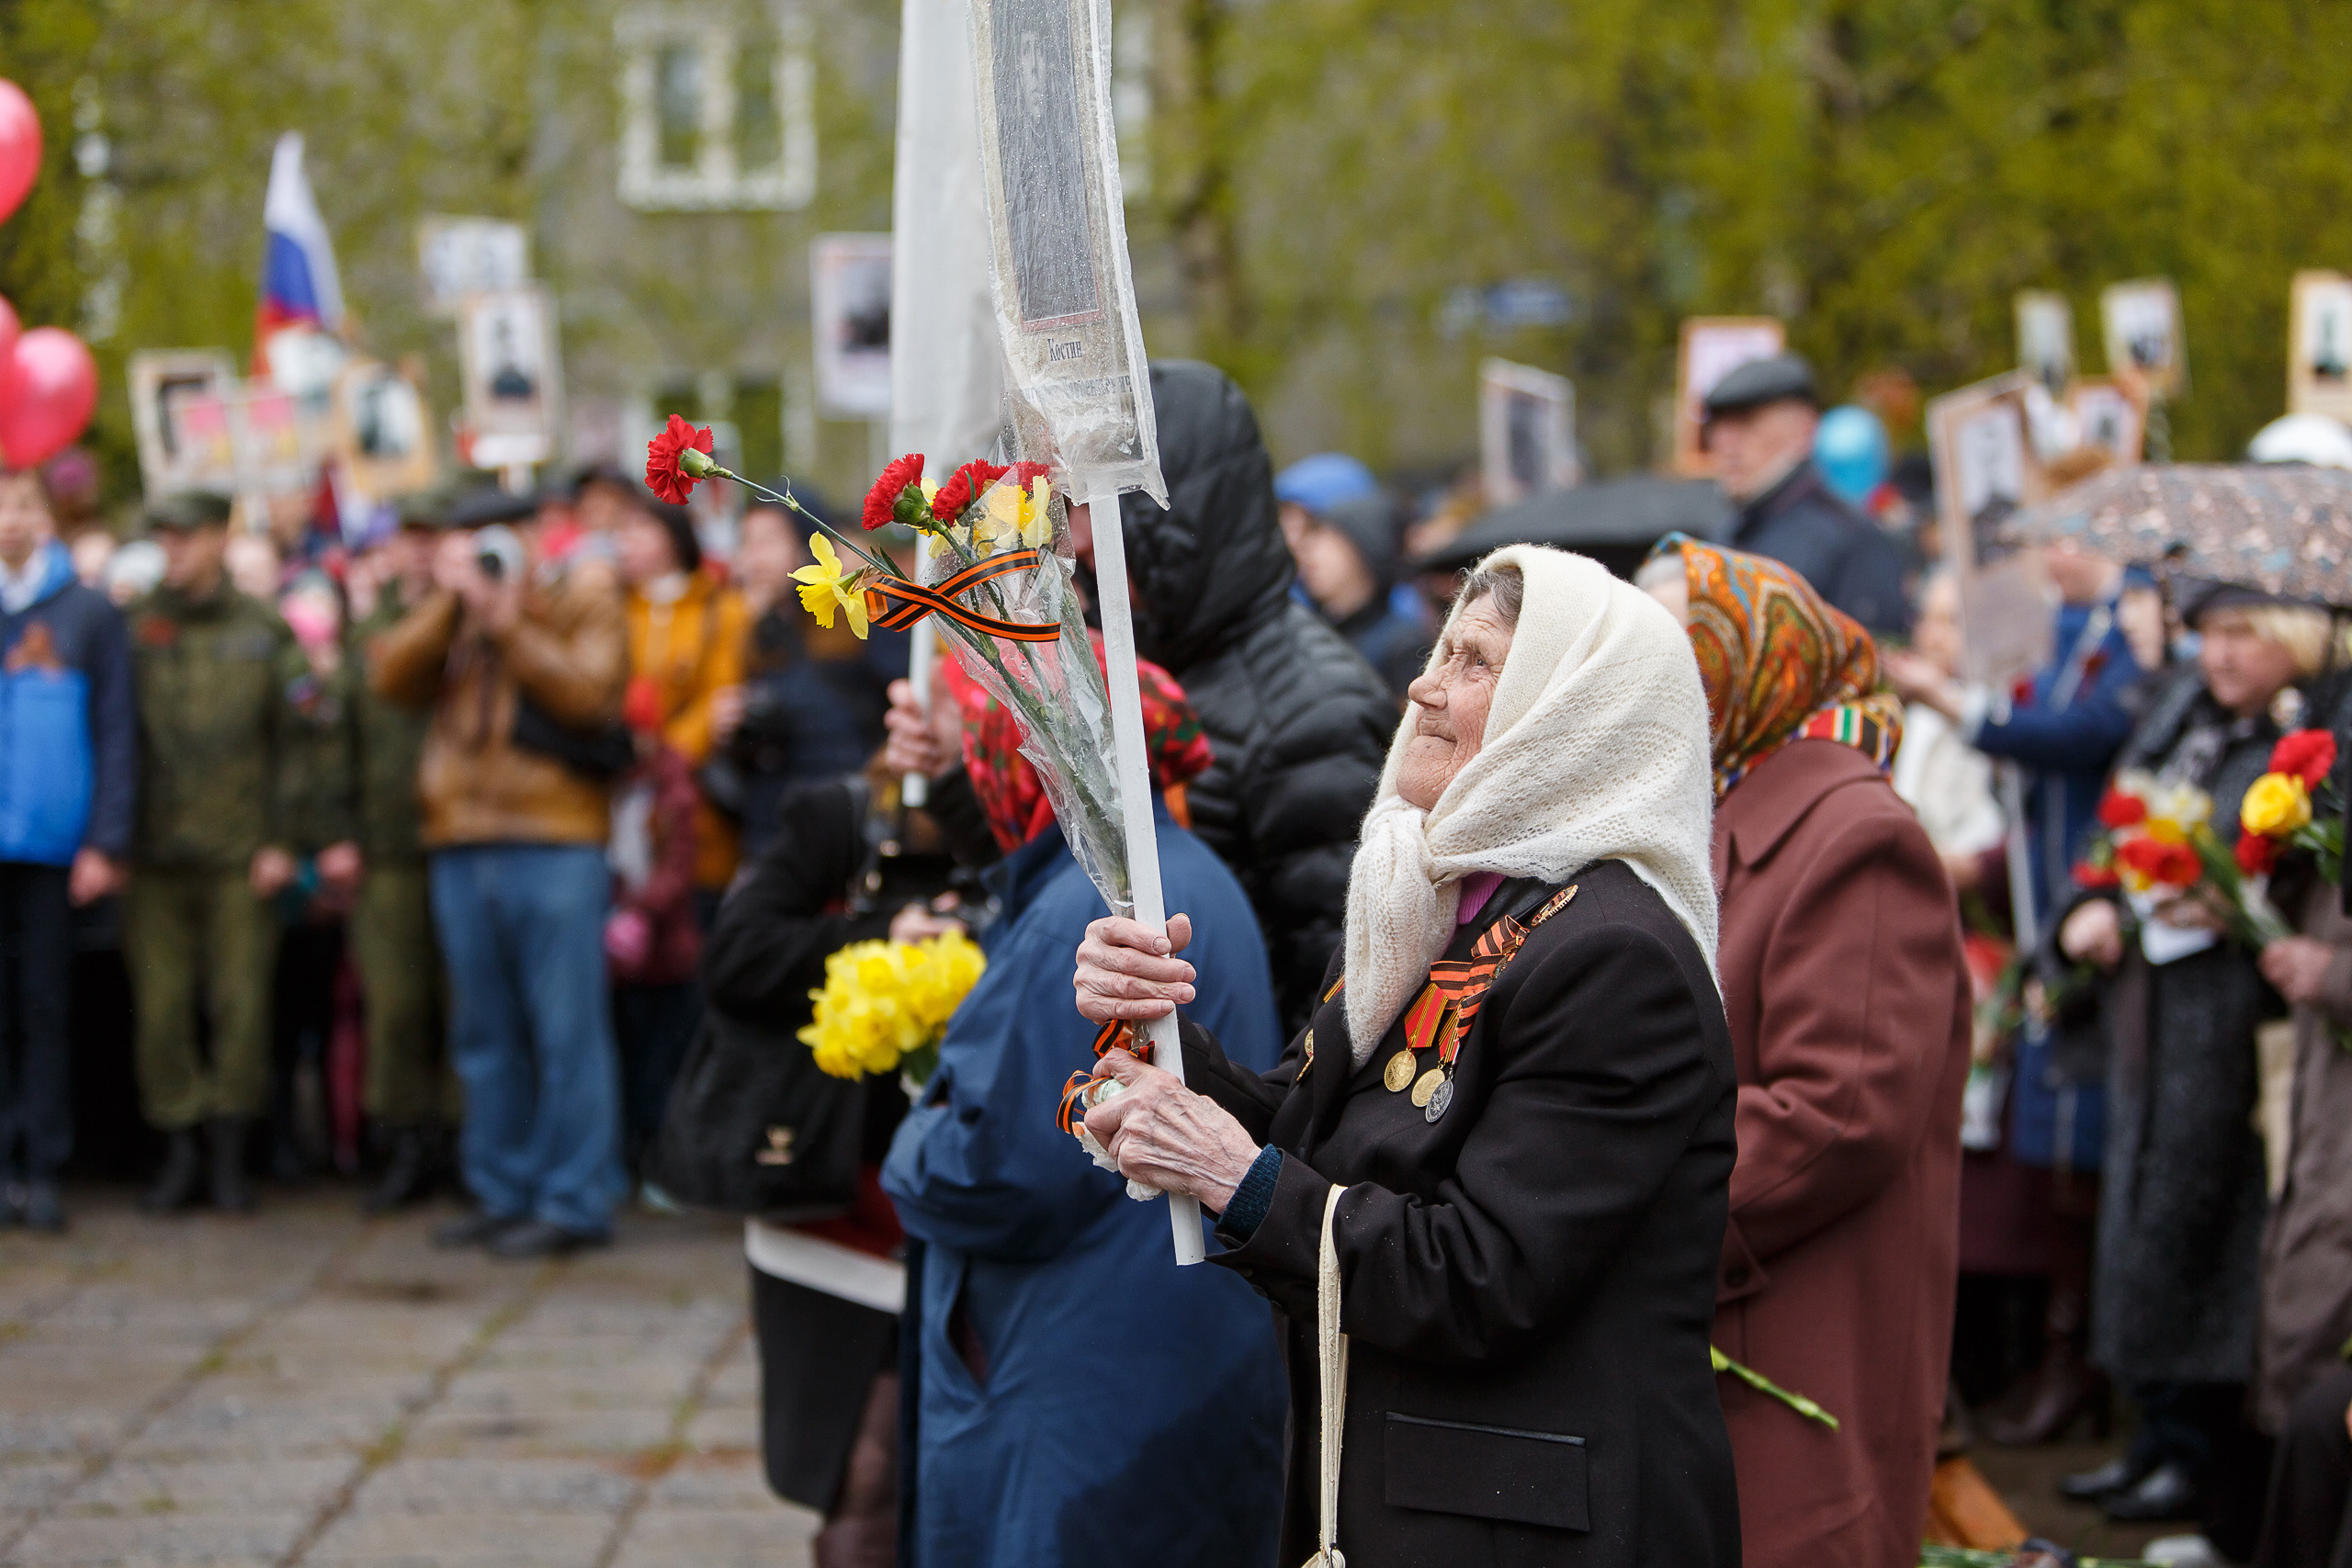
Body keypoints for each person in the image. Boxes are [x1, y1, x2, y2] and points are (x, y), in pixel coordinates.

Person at [1074, 546, 1741, 1567]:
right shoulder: (1431, 900)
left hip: (1534, 1533)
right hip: (1416, 1497)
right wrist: (1157, 1047)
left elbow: (1481, 1275)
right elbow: (1319, 1129)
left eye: (1476, 663)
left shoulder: (1614, 955)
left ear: (1569, 713)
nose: (1423, 685)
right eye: (1442, 651)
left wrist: (1224, 1172)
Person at [881, 643, 1291, 1568]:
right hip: (1181, 1351)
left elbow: (1000, 1169)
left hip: (1085, 1372)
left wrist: (910, 1133)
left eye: (972, 730)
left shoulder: (1089, 908)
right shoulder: (1181, 870)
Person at [1639, 534, 1968, 1568]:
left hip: (1792, 1330)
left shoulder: (1855, 834)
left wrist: (1612, 1185)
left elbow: (1836, 1117)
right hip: (1717, 1310)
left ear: (1746, 660)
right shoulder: (1709, 805)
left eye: (1664, 645)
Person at [2054, 587, 2327, 1540]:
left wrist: (2239, 904)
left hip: (2229, 1014)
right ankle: (2156, 1433)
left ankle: (2202, 1455)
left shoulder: (2304, 744)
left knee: (2199, 1216)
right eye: (2208, 633)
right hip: (2153, 997)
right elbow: (2117, 818)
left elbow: (2295, 873)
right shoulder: (2184, 716)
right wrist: (2090, 902)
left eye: (2241, 633)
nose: (2218, 655)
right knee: (2141, 1215)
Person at [1887, 533, 2144, 1447]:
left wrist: (1958, 705)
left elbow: (2067, 746)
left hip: (2019, 943)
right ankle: (2027, 1364)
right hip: (2000, 939)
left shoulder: (2104, 651)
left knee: (2041, 1170)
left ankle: (2059, 1366)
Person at [371, 486, 630, 1259]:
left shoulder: (580, 597)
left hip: (554, 838)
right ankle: (502, 1187)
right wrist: (457, 604)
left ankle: (573, 1197)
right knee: (483, 1033)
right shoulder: (456, 609)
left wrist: (511, 620)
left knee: (566, 1031)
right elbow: (390, 679)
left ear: (533, 535)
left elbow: (590, 694)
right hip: (460, 838)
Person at [1111, 361, 1401, 1027]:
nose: (1080, 542)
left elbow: (1340, 992)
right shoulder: (1163, 669)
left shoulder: (1313, 711)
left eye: (1105, 510)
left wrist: (1255, 1124)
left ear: (1173, 517)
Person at [125, 491, 356, 1215]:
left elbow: (301, 740)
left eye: (187, 537)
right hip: (154, 850)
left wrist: (284, 840)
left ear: (218, 539)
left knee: (241, 1008)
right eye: (164, 537)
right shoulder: (135, 626)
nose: (175, 551)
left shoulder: (263, 629)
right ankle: (179, 1146)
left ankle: (230, 1152)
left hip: (240, 852)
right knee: (161, 1011)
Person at [0, 468, 133, 1233]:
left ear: (48, 518)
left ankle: (44, 1160)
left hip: (54, 846)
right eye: (3, 509)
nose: (12, 522)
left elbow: (117, 730)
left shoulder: (86, 613)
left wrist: (105, 838)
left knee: (47, 1005)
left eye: (25, 506)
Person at [345, 498, 457, 1212]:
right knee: (394, 1002)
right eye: (408, 539)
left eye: (431, 539)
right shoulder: (368, 629)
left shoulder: (470, 622)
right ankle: (404, 1140)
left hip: (458, 836)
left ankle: (460, 1139)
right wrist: (337, 831)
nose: (418, 554)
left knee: (463, 999)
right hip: (385, 844)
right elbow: (340, 740)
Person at [707, 493, 897, 854]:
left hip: (843, 826)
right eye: (745, 543)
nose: (753, 559)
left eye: (766, 542)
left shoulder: (855, 615)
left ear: (805, 546)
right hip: (772, 830)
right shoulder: (751, 629)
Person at [1702, 352, 1910, 636]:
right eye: (1717, 426)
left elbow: (1871, 663)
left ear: (1804, 429)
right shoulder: (1729, 529)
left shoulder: (1849, 538)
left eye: (1745, 423)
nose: (1725, 443)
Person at [614, 480, 745, 906]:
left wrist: (667, 758)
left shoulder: (719, 607)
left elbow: (721, 691)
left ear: (672, 536)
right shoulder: (614, 608)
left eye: (639, 529)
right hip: (624, 792)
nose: (625, 542)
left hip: (693, 798)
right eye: (622, 531)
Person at [1290, 490, 1432, 700]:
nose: (1308, 556)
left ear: (1364, 549)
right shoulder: (1315, 632)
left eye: (1325, 539)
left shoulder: (1404, 645)